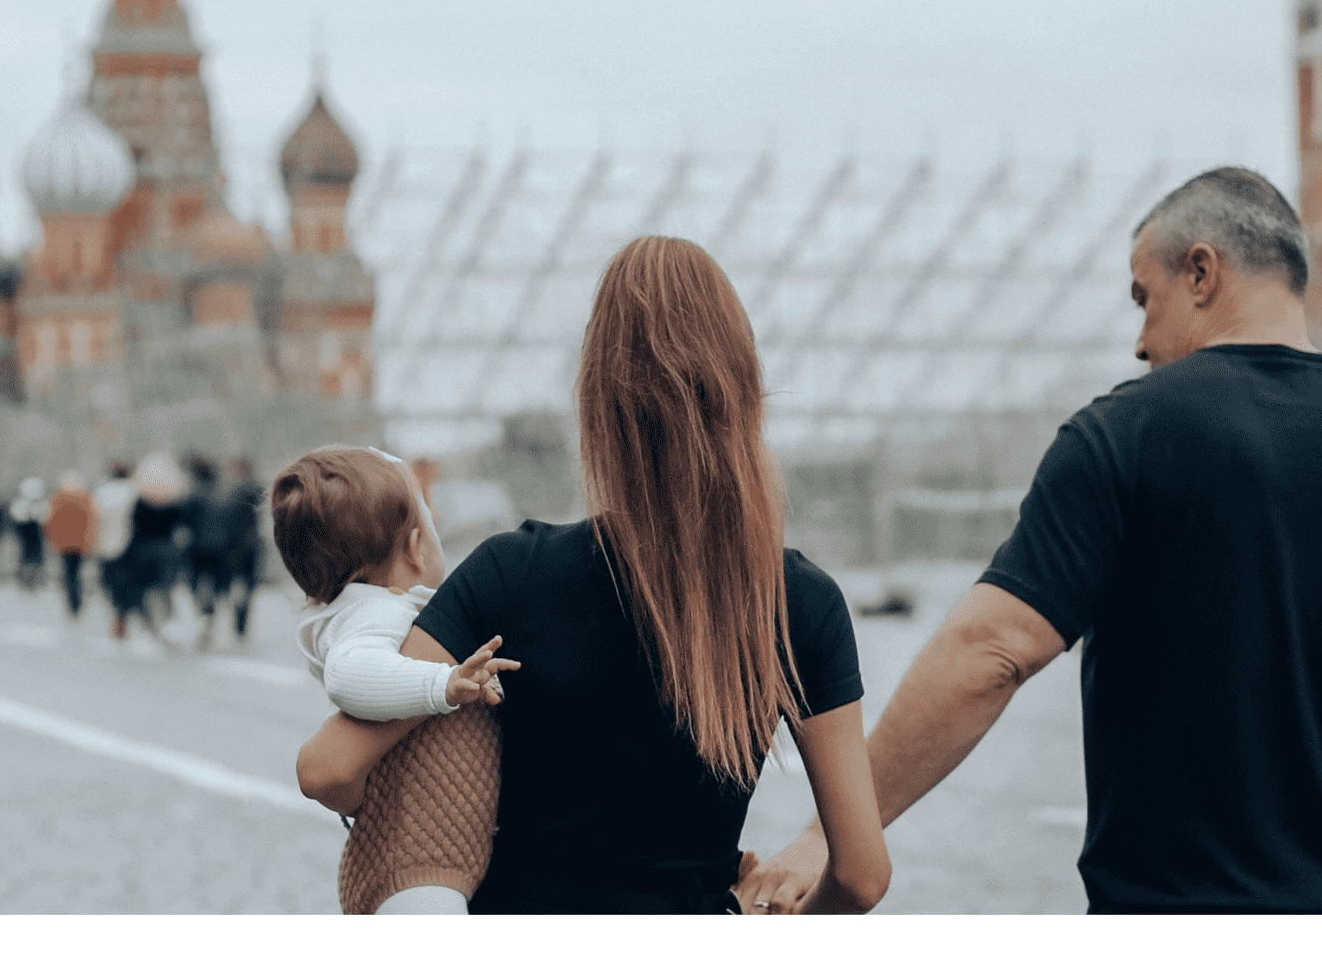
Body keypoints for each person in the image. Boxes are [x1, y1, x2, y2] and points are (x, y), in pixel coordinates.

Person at [741, 167, 1322, 916]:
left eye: (1144, 297)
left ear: (1202, 272)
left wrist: (830, 834)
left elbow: (991, 651)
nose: (1137, 340)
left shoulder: (1121, 439)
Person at [297, 235, 890, 916]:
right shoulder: (799, 604)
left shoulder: (511, 574)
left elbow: (329, 768)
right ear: (745, 390)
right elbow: (862, 875)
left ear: (596, 400)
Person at [272, 445, 518, 914]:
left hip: (431, 850)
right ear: (413, 548)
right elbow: (350, 674)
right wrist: (443, 684)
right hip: (418, 862)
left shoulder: (369, 611)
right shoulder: (375, 610)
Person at [119, 453, 187, 642]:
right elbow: (180, 528)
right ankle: (168, 623)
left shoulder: (140, 502)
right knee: (166, 591)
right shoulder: (175, 502)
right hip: (167, 550)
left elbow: (132, 526)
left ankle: (149, 628)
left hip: (143, 550)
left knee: (144, 591)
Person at [182, 456, 232, 646]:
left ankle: (205, 617)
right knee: (217, 586)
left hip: (198, 548)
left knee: (198, 584)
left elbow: (184, 524)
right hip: (222, 548)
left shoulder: (193, 496)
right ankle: (210, 618)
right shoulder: (225, 496)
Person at [91, 461, 138, 639]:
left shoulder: (102, 492)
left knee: (109, 582)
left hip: (104, 545)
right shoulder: (133, 491)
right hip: (128, 545)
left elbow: (94, 520)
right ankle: (123, 614)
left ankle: (117, 612)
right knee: (126, 582)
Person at [221, 456, 265, 640]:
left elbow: (229, 522)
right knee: (248, 586)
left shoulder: (231, 493)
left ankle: (237, 624)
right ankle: (241, 627)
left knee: (237, 584)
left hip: (236, 545)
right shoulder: (258, 488)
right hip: (253, 542)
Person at [44, 471, 97, 618]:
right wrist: (89, 542)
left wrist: (53, 541)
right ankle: (77, 603)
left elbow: (50, 522)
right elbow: (91, 520)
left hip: (64, 544)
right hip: (81, 544)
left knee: (69, 575)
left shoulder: (57, 498)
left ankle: (72, 604)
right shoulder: (85, 498)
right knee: (77, 574)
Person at [9, 478, 49, 593]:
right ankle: (27, 582)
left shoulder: (40, 504)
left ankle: (33, 582)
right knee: (27, 557)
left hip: (34, 535)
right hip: (27, 535)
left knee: (34, 558)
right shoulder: (21, 505)